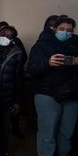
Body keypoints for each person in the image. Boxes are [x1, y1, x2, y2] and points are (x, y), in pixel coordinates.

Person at [28, 16, 78, 156]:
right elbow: (32, 68)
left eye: (69, 30)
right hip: (47, 93)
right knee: (47, 133)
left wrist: (75, 61)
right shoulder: (42, 44)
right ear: (55, 29)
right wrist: (47, 63)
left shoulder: (76, 43)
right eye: (62, 29)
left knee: (66, 132)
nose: (65, 32)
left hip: (72, 94)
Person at [0, 25, 24, 156]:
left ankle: (3, 152)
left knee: (5, 128)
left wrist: (17, 101)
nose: (4, 37)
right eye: (3, 33)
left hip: (7, 97)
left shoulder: (17, 52)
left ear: (13, 39)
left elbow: (18, 78)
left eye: (8, 35)